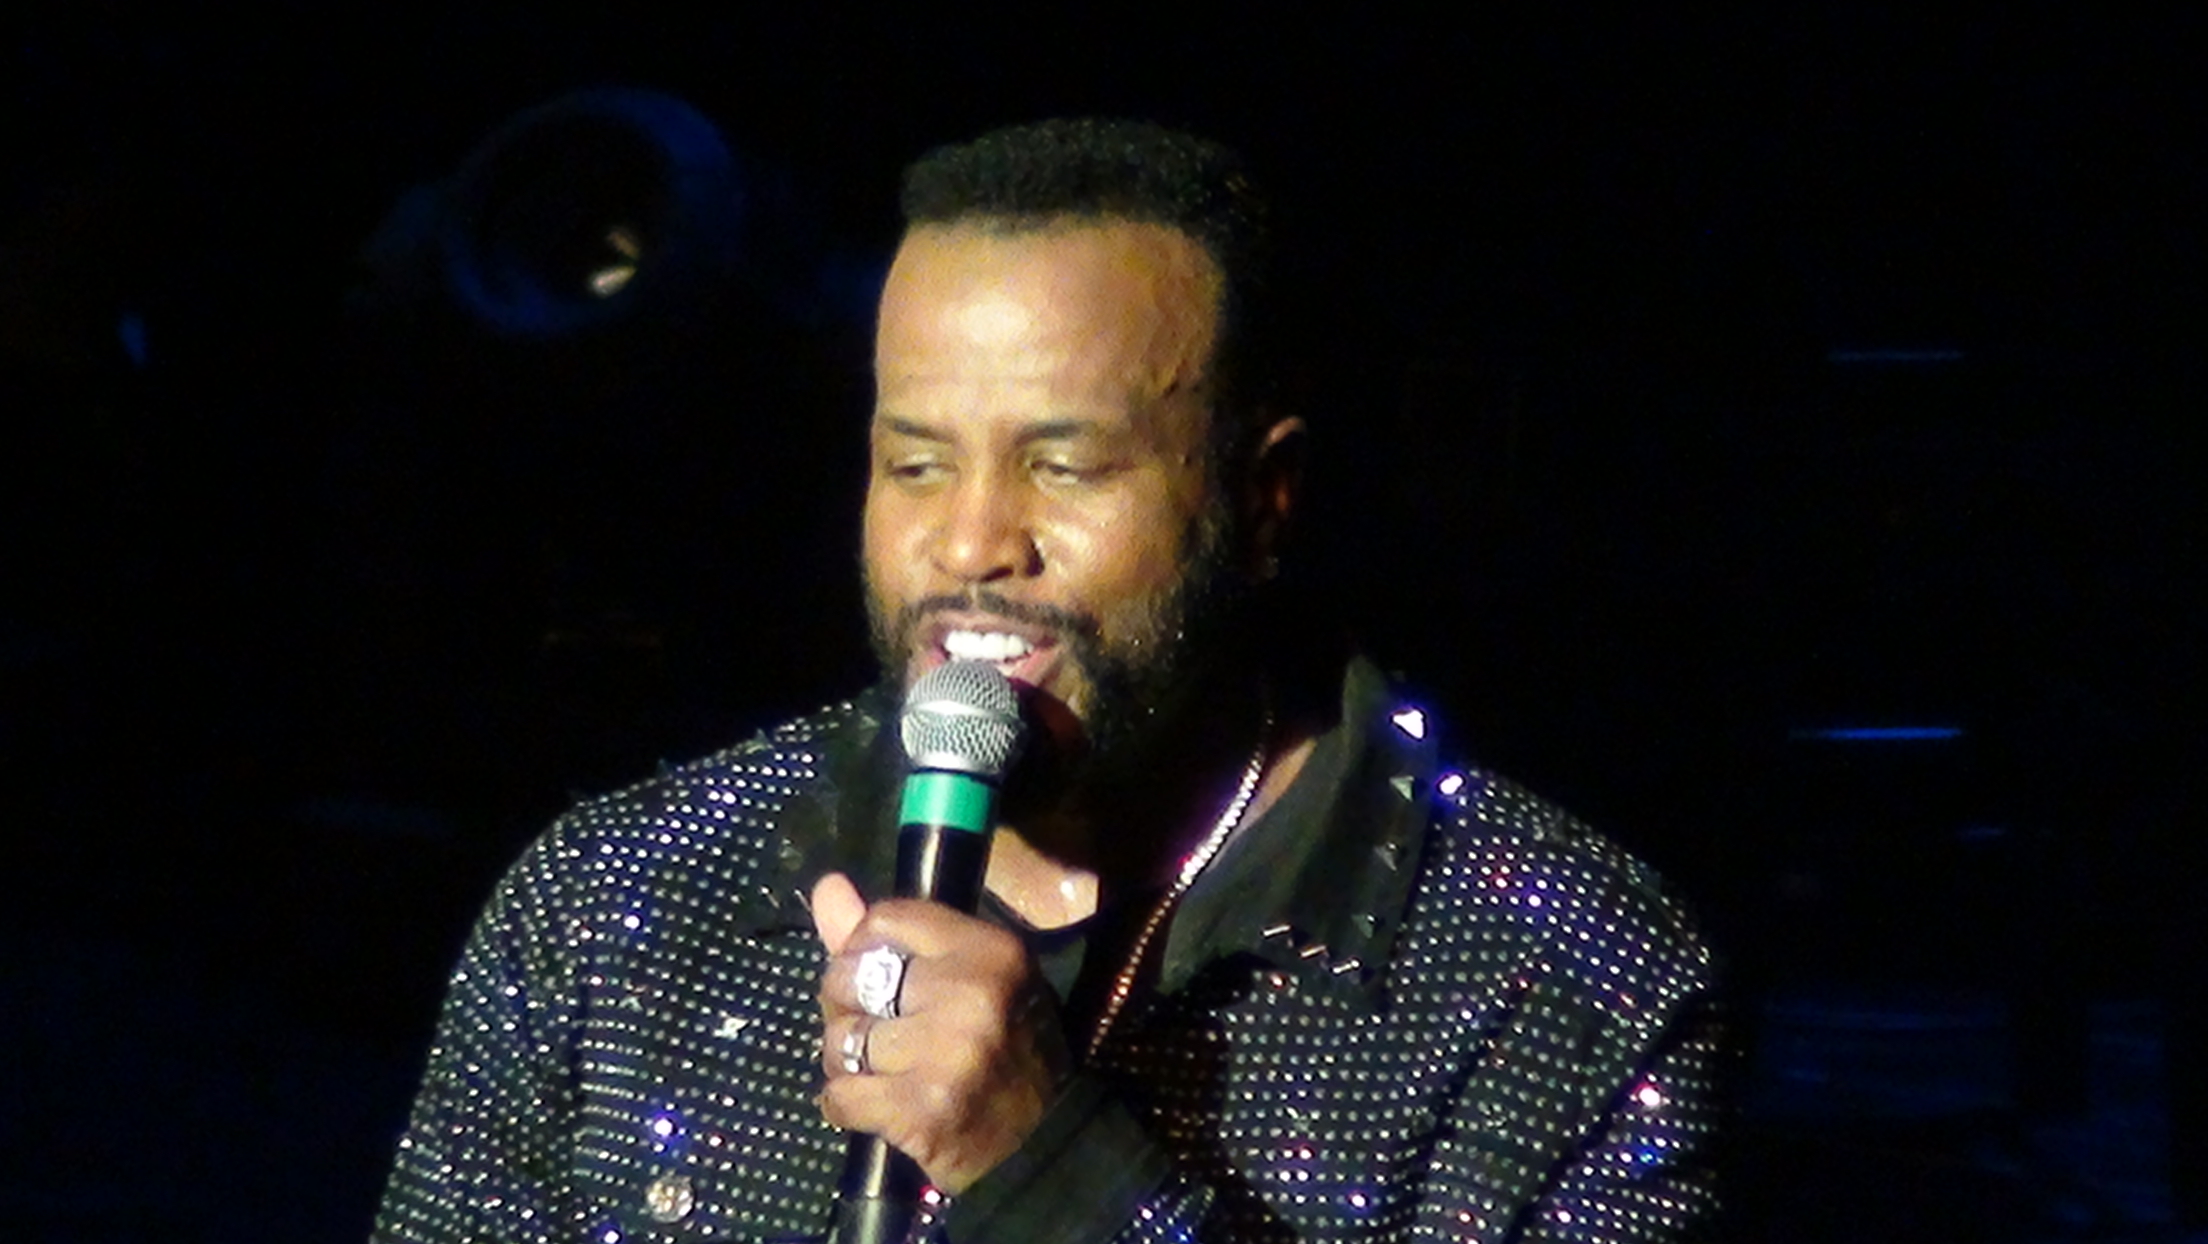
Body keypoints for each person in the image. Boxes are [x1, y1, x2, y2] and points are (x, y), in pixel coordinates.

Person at [374, 117, 1724, 1244]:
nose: (970, 542)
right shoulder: (613, 908)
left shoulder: (1561, 986)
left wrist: (1053, 1173)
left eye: (1063, 467)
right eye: (916, 463)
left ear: (1263, 500)